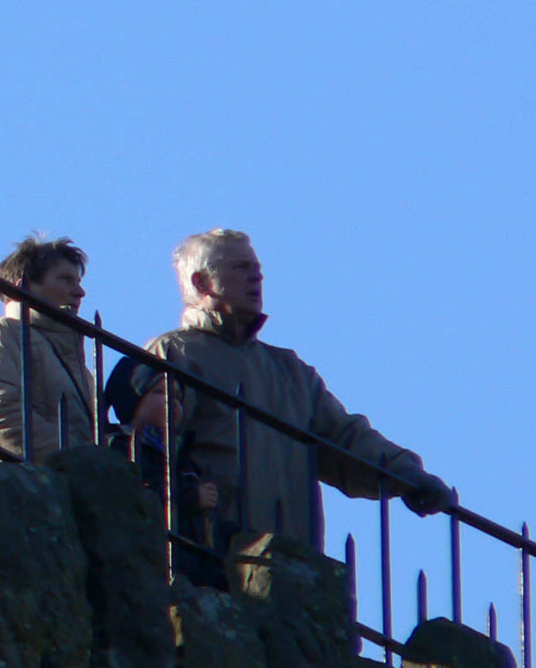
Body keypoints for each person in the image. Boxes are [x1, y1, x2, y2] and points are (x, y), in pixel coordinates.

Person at [143, 230, 450, 552]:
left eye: (257, 269)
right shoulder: (175, 353)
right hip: (208, 550)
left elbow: (345, 440)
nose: (257, 277)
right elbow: (148, 445)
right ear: (202, 282)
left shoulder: (291, 372)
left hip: (289, 558)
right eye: (241, 267)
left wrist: (407, 474)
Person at [0, 234, 98, 464]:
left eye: (78, 281)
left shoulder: (82, 371)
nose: (80, 292)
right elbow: (1, 419)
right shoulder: (2, 334)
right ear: (23, 286)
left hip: (71, 481)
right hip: (19, 479)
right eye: (66, 279)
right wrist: (78, 458)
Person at [104, 356, 225, 587]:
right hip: (152, 564)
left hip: (193, 571)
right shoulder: (121, 448)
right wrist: (192, 499)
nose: (173, 402)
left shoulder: (185, 458)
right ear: (133, 401)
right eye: (160, 392)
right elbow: (138, 501)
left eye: (178, 396)